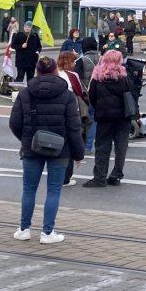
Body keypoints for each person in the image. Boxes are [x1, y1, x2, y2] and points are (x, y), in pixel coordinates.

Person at [8, 55, 84, 244]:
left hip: (31, 148)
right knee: (53, 191)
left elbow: (14, 123)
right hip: (60, 149)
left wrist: (26, 139)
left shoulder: (25, 93)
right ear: (56, 70)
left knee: (29, 189)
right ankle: (47, 233)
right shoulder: (67, 95)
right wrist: (78, 154)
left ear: (37, 71)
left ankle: (24, 229)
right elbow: (74, 128)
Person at [84, 49, 133, 188]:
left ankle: (100, 177)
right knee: (121, 147)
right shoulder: (124, 76)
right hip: (123, 117)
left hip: (104, 116)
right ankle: (116, 174)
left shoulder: (98, 77)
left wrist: (100, 107)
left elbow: (92, 97)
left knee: (102, 147)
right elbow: (131, 95)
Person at [56, 51, 89, 188]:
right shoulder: (72, 75)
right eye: (73, 61)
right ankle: (66, 177)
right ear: (69, 62)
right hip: (71, 111)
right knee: (70, 142)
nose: (75, 63)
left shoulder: (54, 74)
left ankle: (56, 175)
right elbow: (80, 92)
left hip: (54, 112)